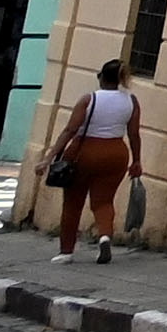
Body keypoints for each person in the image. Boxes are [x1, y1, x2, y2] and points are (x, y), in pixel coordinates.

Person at [45, 60, 143, 263]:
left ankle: (66, 251)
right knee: (104, 201)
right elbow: (134, 134)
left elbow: (70, 130)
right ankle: (105, 237)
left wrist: (48, 157)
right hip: (116, 154)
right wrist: (137, 161)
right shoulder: (131, 101)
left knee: (73, 202)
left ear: (101, 77)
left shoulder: (89, 100)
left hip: (84, 152)